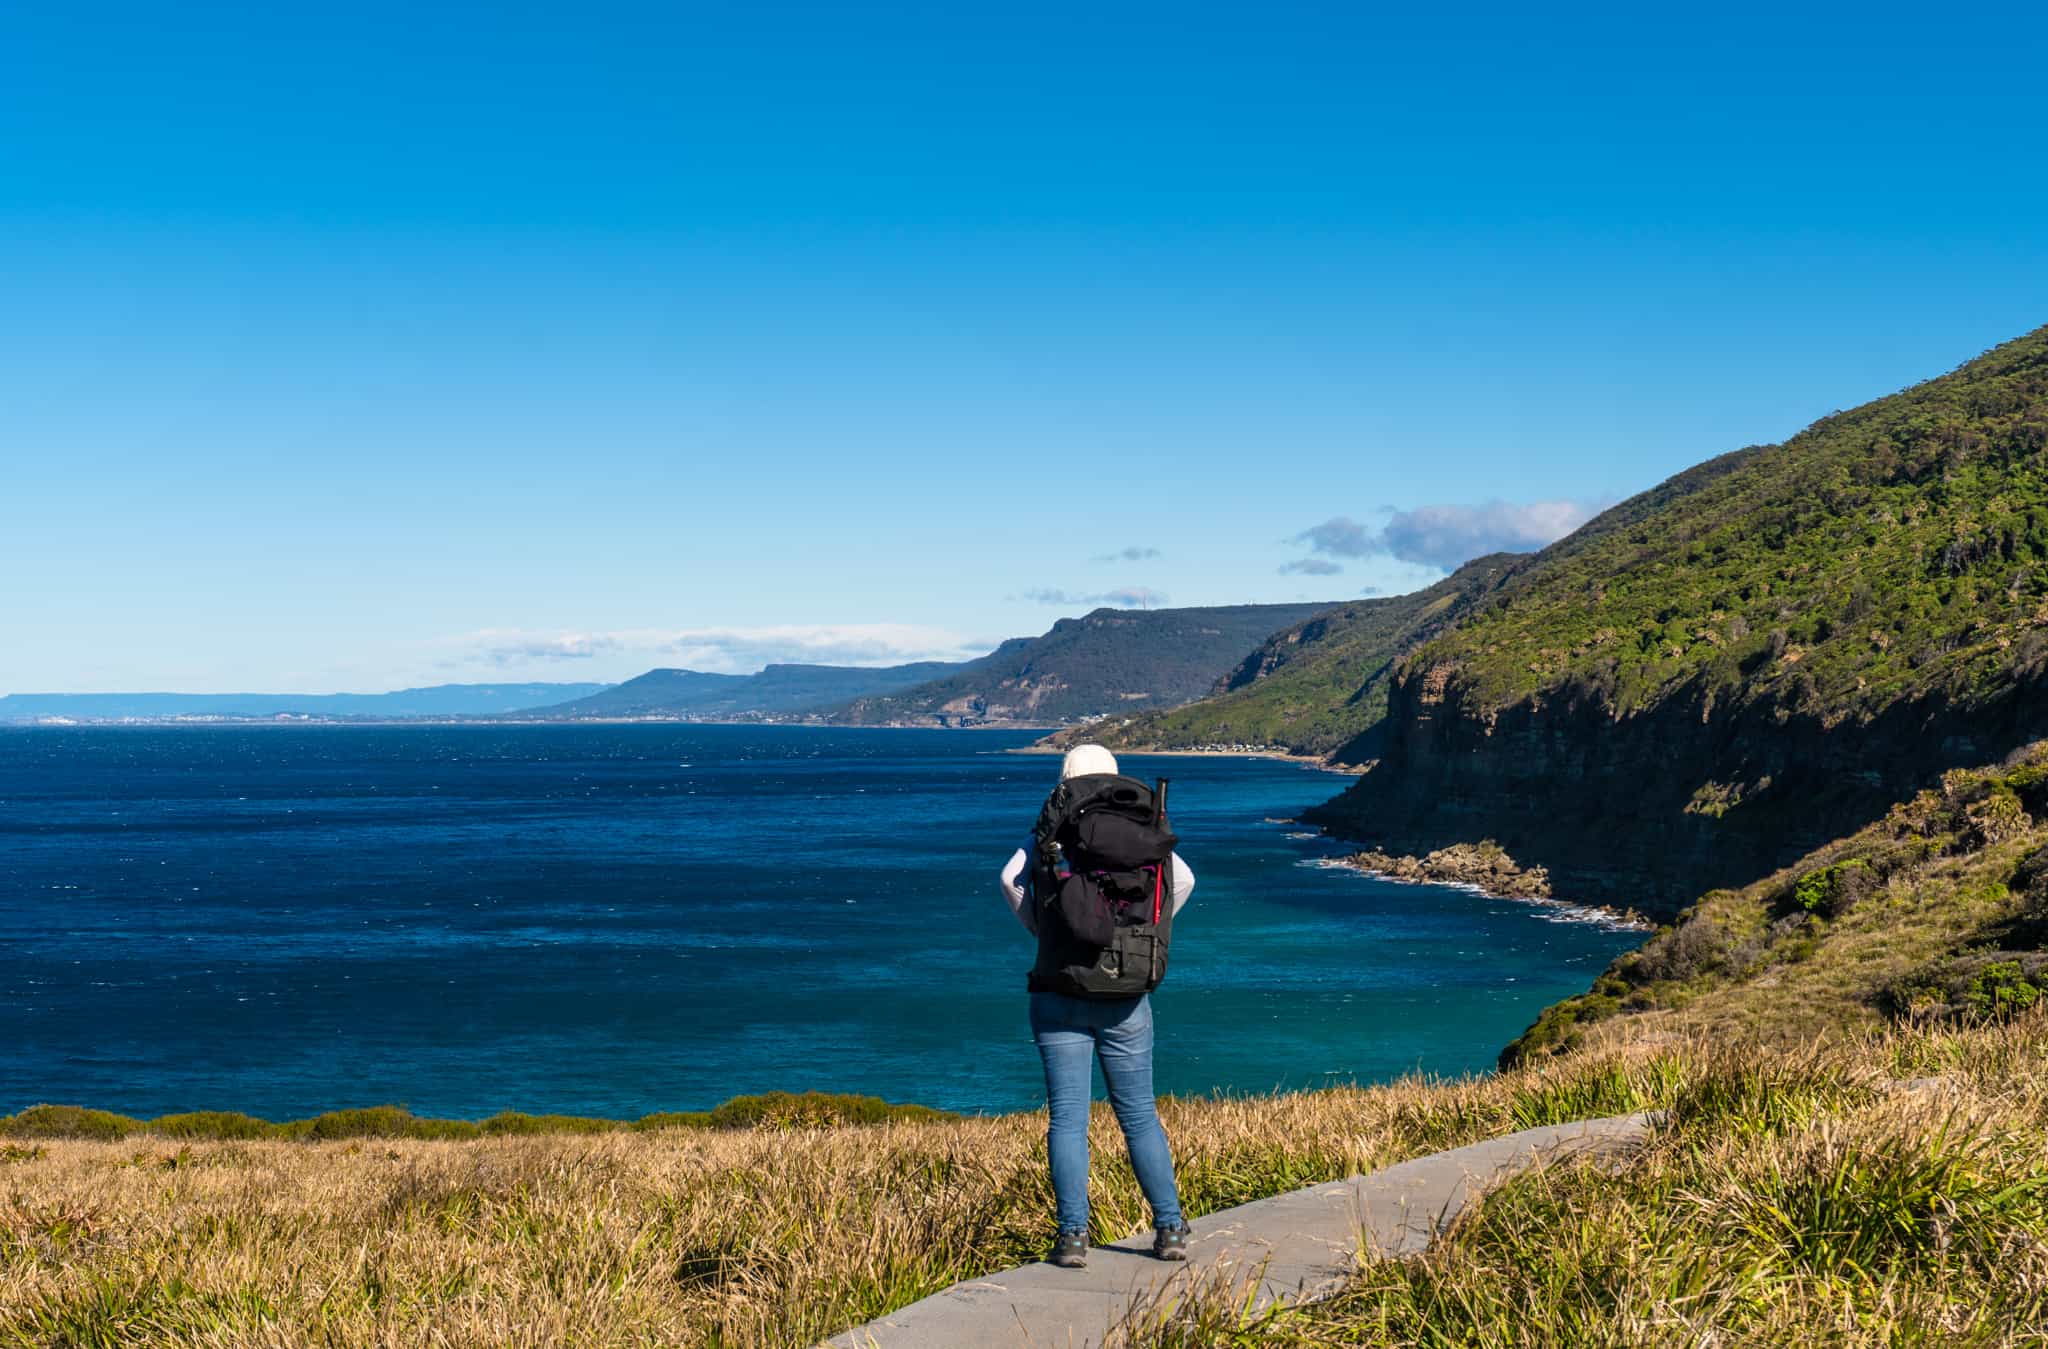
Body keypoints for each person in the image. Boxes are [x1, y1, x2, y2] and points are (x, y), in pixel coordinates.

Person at [998, 743, 1195, 1269]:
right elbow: (1185, 880)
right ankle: (1170, 1228)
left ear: (1066, 779)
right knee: (1138, 1116)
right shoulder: (1143, 828)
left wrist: (1046, 932)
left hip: (1058, 988)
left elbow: (1007, 880)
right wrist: (1146, 934)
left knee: (1068, 1121)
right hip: (1126, 994)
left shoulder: (1052, 830)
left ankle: (1072, 1238)